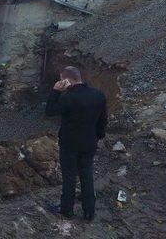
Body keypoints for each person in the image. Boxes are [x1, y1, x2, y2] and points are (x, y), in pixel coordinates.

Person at [45, 66, 108, 221]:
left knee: (69, 177)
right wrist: (98, 137)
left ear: (66, 80)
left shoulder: (68, 97)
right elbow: (103, 120)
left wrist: (55, 91)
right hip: (89, 143)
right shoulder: (98, 95)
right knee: (87, 176)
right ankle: (89, 212)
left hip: (69, 144)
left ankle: (67, 209)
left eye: (61, 80)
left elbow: (50, 111)